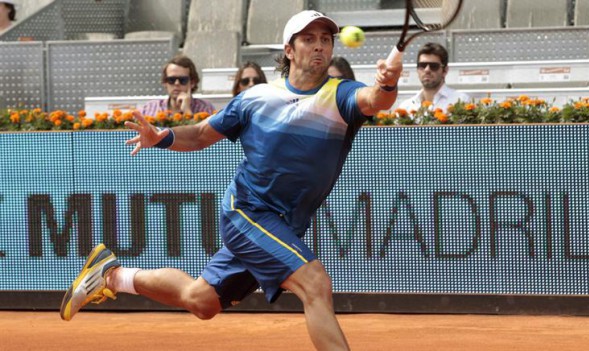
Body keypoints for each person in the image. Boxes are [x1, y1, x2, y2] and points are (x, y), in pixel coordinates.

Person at [60, 10, 402, 350]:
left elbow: (375, 99)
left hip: (285, 223)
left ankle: (112, 276)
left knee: (201, 301)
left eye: (325, 40)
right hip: (248, 212)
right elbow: (199, 135)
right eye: (308, 39)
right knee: (314, 284)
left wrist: (387, 81)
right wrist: (161, 136)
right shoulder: (256, 99)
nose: (319, 47)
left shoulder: (341, 95)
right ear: (288, 49)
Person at [397, 42, 469, 112]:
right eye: (422, 65)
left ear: (445, 71)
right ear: (417, 69)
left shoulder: (461, 101)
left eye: (434, 66)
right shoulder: (406, 108)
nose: (427, 70)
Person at [139, 55, 216, 117]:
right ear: (165, 82)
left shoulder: (205, 109)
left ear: (192, 83)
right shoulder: (148, 108)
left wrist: (187, 111)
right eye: (171, 80)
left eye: (183, 80)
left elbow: (206, 135)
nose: (176, 83)